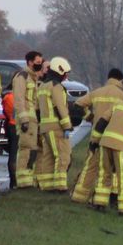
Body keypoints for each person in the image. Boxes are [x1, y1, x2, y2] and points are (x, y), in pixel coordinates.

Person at [71, 69, 123, 204]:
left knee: (90, 166)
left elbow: (77, 105)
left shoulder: (97, 92)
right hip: (115, 136)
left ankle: (79, 195)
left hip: (96, 136)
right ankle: (112, 197)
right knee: (113, 168)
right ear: (120, 80)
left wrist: (90, 117)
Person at [36, 57, 73, 192]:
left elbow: (37, 109)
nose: (66, 76)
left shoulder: (42, 86)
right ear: (59, 70)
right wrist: (67, 126)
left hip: (44, 128)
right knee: (63, 155)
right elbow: (60, 107)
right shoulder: (56, 86)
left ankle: (47, 185)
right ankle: (60, 186)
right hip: (56, 127)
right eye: (65, 73)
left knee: (48, 157)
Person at [11, 51, 44, 188]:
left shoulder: (33, 78)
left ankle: (28, 180)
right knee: (25, 149)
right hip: (26, 120)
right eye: (37, 62)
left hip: (33, 119)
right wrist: (24, 119)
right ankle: (23, 182)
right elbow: (19, 99)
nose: (40, 65)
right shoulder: (22, 77)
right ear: (30, 62)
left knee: (32, 149)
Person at [1, 89, 19, 189]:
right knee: (15, 154)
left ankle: (13, 182)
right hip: (16, 127)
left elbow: (6, 112)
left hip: (11, 126)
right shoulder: (14, 97)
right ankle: (14, 181)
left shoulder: (9, 97)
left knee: (13, 154)